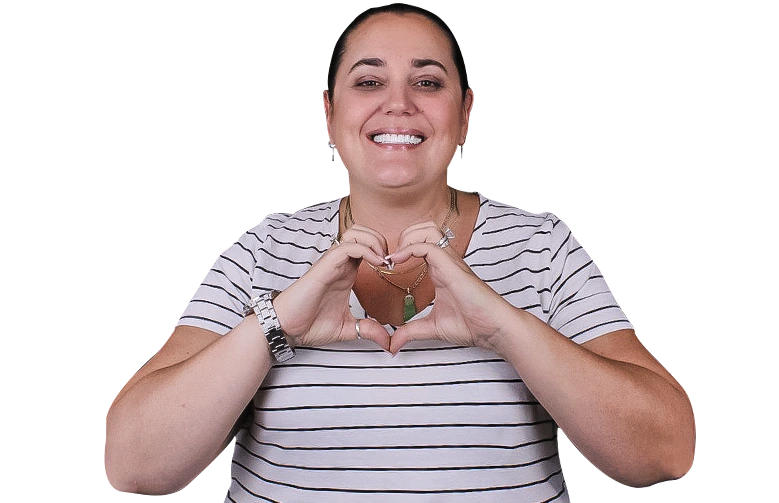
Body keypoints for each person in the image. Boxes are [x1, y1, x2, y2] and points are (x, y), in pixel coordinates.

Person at [104, 5, 695, 501]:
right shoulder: (259, 250)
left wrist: (506, 328)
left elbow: (663, 453)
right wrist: (275, 324)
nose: (398, 104)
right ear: (328, 116)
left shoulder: (544, 247)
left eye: (428, 81)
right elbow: (128, 461)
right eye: (368, 81)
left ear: (466, 116)